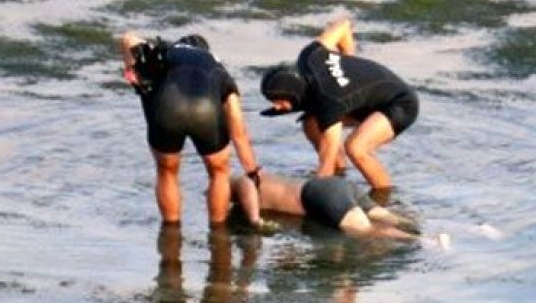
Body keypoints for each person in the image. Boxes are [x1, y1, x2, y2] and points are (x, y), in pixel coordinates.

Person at [258, 17, 419, 191]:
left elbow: (325, 163)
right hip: (367, 97)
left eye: (280, 101)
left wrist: (315, 193)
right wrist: (347, 66)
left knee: (356, 147)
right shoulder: (310, 56)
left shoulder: (329, 100)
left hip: (400, 103)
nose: (276, 107)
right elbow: (343, 25)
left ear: (293, 92)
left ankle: (385, 196)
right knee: (311, 123)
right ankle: (340, 173)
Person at [120, 31, 263, 225]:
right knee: (219, 172)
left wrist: (131, 67)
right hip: (205, 109)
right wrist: (253, 172)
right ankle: (217, 229)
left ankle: (171, 230)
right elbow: (239, 133)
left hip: (168, 108)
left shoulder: (165, 54)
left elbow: (128, 37)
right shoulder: (219, 70)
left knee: (167, 172)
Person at [229, 170, 418, 240]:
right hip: (335, 186)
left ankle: (427, 242)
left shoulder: (232, 181)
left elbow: (246, 185)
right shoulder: (262, 176)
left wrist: (254, 220)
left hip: (319, 196)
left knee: (366, 231)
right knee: (386, 217)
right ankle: (421, 229)